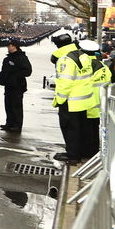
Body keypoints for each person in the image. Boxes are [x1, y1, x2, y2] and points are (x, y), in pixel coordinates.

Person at [49, 30, 91, 165]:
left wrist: (59, 100)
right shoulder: (81, 55)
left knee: (69, 128)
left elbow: (64, 82)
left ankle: (72, 155)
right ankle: (77, 152)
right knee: (79, 128)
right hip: (83, 99)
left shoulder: (65, 59)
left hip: (71, 101)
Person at [0, 41, 32, 133]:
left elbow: (28, 71)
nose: (8, 47)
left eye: (9, 45)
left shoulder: (21, 57)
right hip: (8, 85)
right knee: (8, 105)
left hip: (18, 85)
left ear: (14, 46)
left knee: (16, 106)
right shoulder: (7, 58)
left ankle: (17, 125)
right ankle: (9, 123)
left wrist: (15, 76)